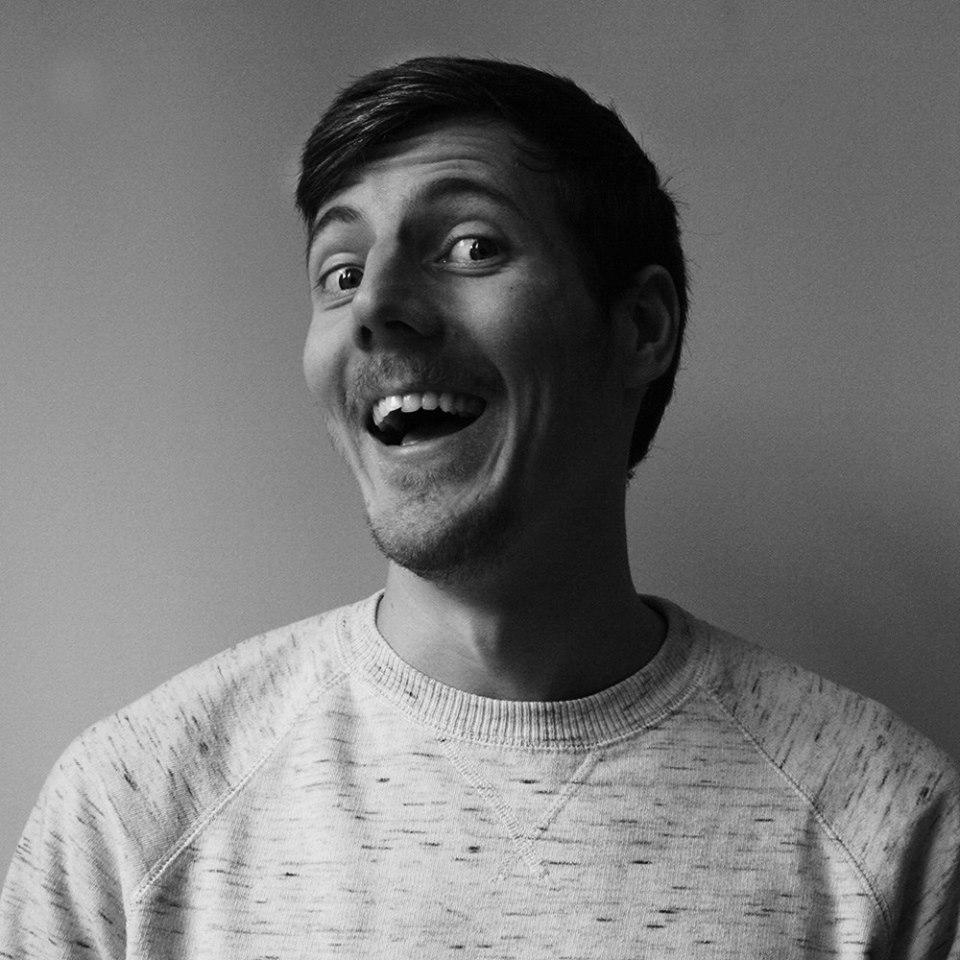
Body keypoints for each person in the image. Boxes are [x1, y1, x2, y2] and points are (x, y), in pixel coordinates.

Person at [2, 55, 958, 959]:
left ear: (640, 327)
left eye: (471, 246)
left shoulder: (891, 831)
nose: (375, 304)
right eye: (341, 272)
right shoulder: (130, 816)